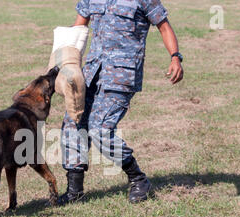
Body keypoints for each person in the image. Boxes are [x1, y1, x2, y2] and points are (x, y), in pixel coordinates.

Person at [58, 0, 184, 205]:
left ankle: (138, 179)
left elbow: (164, 26)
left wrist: (175, 57)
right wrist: (64, 62)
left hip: (121, 76)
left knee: (100, 130)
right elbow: (78, 27)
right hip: (91, 73)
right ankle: (74, 191)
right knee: (73, 122)